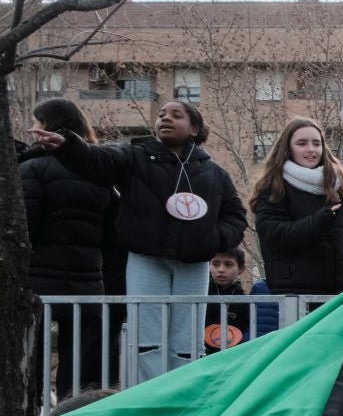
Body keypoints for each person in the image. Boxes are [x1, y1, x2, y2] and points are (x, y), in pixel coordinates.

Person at [33, 99, 247, 382]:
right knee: (147, 335)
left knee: (188, 337)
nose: (166, 119)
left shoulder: (215, 174)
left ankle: (182, 396)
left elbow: (236, 215)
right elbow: (95, 160)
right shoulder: (133, 156)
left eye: (176, 115)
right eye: (161, 115)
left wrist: (212, 240)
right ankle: (149, 395)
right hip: (146, 261)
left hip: (193, 264)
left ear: (194, 128)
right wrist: (68, 145)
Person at [21, 98, 117, 398]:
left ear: (46, 127)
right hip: (89, 280)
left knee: (30, 361)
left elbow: (26, 225)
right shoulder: (99, 172)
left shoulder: (32, 168)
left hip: (38, 280)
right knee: (78, 367)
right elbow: (112, 229)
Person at [250, 118, 343, 300]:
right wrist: (319, 220)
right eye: (302, 143)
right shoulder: (273, 188)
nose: (311, 149)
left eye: (316, 143)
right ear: (288, 148)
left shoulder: (337, 187)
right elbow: (275, 235)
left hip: (338, 296)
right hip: (293, 296)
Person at [203, 250, 278, 351]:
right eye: (215, 264)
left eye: (228, 265)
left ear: (241, 269)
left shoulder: (244, 300)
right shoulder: (202, 294)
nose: (221, 269)